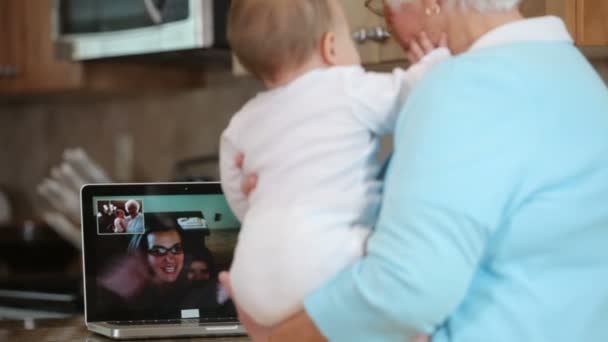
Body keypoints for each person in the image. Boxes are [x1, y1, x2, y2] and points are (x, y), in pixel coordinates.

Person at [220, 0, 608, 341]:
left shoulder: (460, 86)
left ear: (430, 2)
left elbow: (404, 287)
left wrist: (279, 339)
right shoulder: (579, 81)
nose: (388, 27)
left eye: (384, 8)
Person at [219, 0, 450, 327]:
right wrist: (434, 61)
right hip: (324, 261)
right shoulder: (346, 87)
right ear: (330, 47)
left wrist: (262, 221)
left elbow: (236, 192)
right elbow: (409, 95)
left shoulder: (241, 124)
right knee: (394, 259)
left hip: (252, 280)